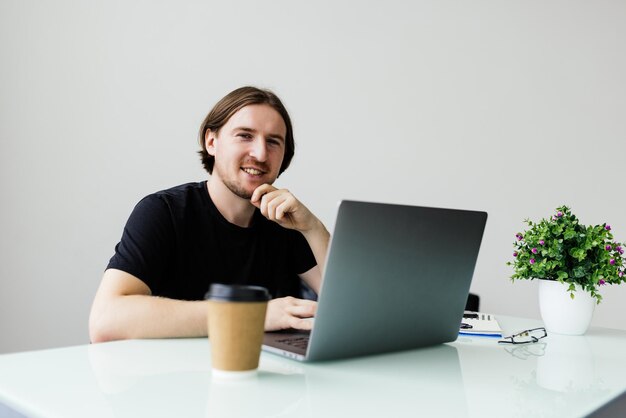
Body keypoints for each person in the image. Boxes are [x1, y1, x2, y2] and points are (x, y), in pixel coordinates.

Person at [89, 86, 330, 343]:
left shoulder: (283, 223)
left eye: (273, 141)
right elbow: (105, 321)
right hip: (172, 378)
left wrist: (313, 228)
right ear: (211, 142)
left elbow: (354, 309)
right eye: (245, 135)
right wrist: (251, 315)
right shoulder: (163, 211)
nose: (260, 153)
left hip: (254, 375)